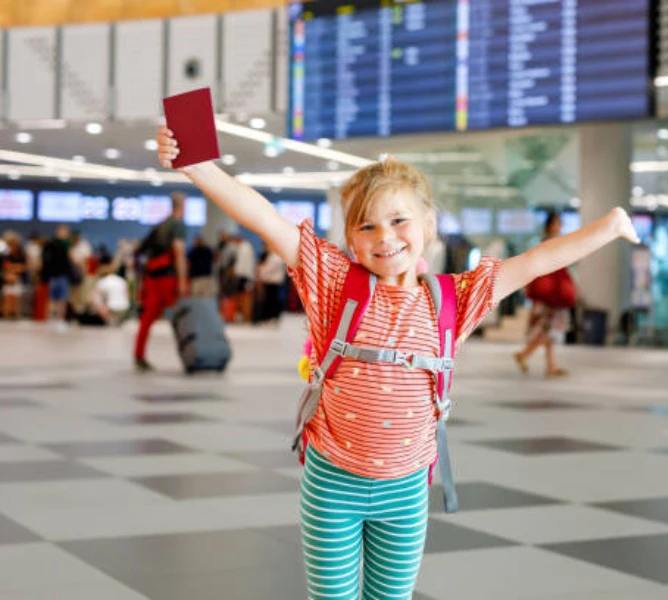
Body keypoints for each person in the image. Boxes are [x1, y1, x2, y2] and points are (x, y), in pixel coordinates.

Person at [156, 126, 638, 600]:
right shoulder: (333, 282)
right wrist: (199, 167)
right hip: (332, 486)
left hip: (406, 492)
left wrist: (609, 226)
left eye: (399, 221)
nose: (384, 237)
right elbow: (263, 218)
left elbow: (534, 262)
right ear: (350, 236)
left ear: (429, 224)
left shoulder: (455, 300)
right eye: (366, 226)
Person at [513, 211, 576, 377]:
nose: (560, 226)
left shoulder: (546, 243)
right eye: (558, 223)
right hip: (553, 295)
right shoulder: (552, 243)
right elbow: (553, 271)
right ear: (551, 225)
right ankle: (525, 354)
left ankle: (550, 366)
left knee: (549, 331)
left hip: (551, 294)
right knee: (549, 330)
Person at [133, 191, 188, 371]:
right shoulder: (177, 225)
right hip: (167, 278)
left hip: (152, 277)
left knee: (148, 318)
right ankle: (192, 353)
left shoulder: (160, 225)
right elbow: (178, 253)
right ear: (182, 206)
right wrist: (182, 281)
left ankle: (139, 354)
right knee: (180, 317)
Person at [41, 224, 74, 330]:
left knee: (62, 299)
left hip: (63, 275)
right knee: (52, 298)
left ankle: (60, 319)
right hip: (54, 275)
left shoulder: (67, 245)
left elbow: (70, 259)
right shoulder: (52, 244)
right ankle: (50, 318)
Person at [91, 260, 131, 325]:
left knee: (96, 299)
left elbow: (94, 295)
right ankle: (118, 319)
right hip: (124, 307)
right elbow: (127, 294)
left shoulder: (103, 281)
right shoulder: (122, 280)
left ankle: (108, 319)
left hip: (111, 308)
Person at [253, 243, 285, 324]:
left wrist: (260, 268)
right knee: (271, 300)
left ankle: (273, 316)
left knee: (272, 300)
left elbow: (267, 269)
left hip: (273, 281)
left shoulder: (275, 257)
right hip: (270, 281)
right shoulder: (272, 256)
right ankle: (271, 316)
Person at [231, 232, 256, 322]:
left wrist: (235, 272)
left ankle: (246, 316)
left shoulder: (244, 248)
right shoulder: (244, 247)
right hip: (245, 275)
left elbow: (242, 264)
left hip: (244, 276)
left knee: (245, 297)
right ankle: (244, 315)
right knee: (243, 297)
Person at [1, 231, 26, 319]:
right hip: (7, 278)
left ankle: (14, 314)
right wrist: (14, 269)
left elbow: (24, 266)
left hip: (17, 278)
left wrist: (15, 269)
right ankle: (5, 314)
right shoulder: (5, 252)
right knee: (7, 297)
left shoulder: (20, 253)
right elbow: (6, 266)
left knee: (16, 298)